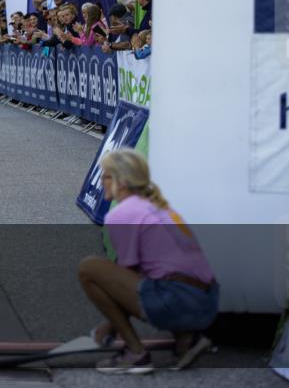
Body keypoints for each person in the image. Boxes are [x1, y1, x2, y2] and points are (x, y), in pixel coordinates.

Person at [78, 150, 219, 374]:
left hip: (180, 300)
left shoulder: (123, 213)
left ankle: (136, 353)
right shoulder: (158, 207)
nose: (101, 181)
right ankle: (187, 341)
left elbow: (124, 278)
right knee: (157, 277)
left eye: (105, 176)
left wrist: (111, 325)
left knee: (89, 268)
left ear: (121, 181)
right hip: (208, 301)